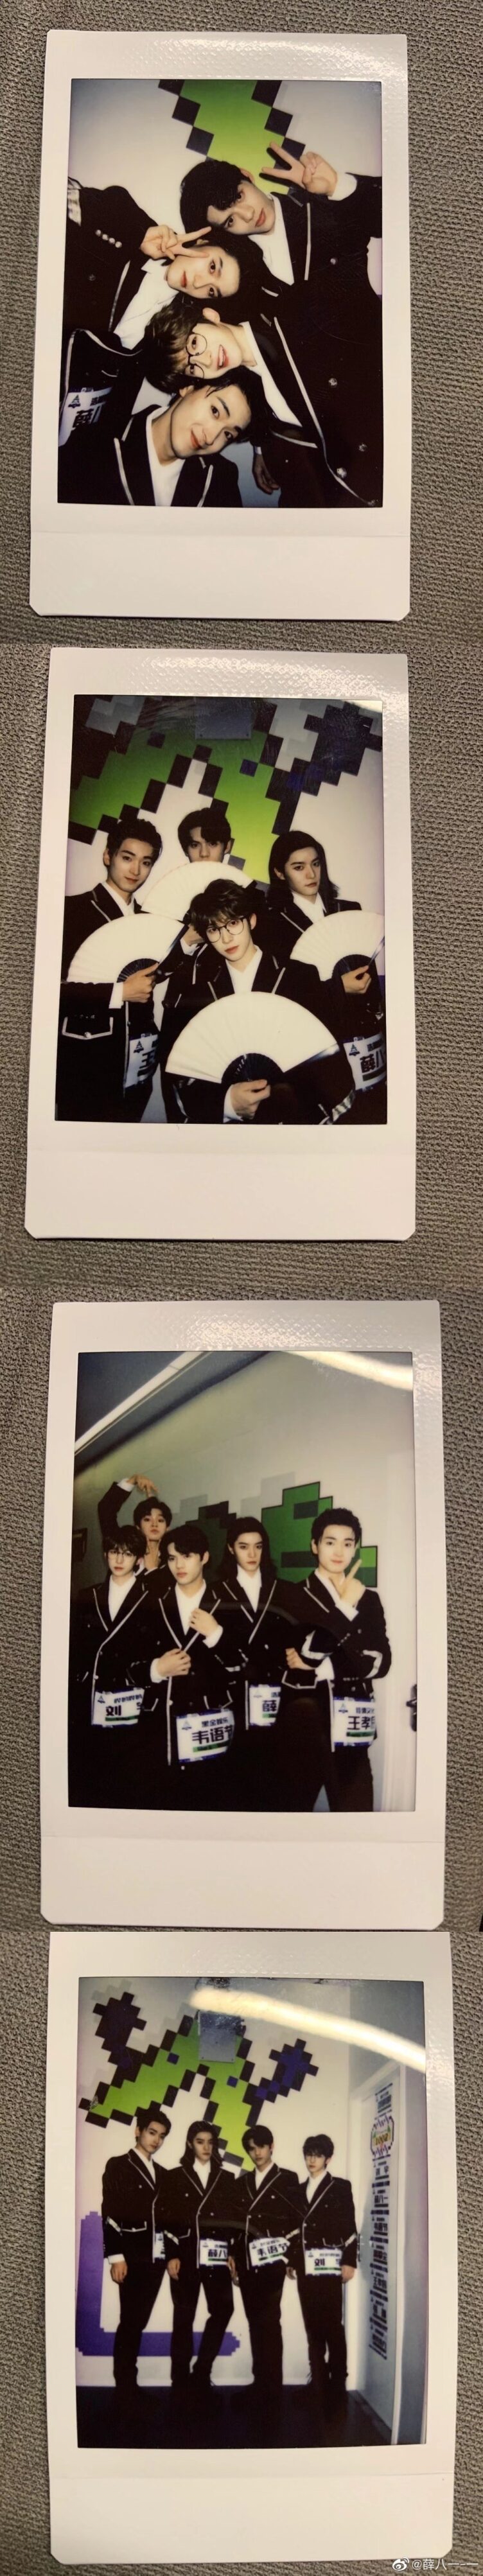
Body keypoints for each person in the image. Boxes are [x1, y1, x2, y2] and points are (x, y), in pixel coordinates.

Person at [160, 877, 336, 1125]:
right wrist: (227, 1102)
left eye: (233, 923)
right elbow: (183, 1075)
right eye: (214, 930)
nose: (226, 938)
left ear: (251, 921)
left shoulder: (299, 977)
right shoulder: (198, 994)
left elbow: (325, 1058)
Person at [278, 1505, 391, 1812]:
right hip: (305, 1729)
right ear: (315, 1546)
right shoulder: (292, 1596)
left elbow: (382, 1661)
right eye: (330, 1542)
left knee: (357, 1820)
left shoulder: (370, 1599)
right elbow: (304, 1654)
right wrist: (344, 1608)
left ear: (355, 1548)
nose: (339, 1551)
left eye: (347, 1543)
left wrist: (325, 1667)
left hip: (352, 1729)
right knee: (292, 1818)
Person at [57, 807, 162, 1124]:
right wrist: (120, 993)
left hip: (138, 1063)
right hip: (87, 1062)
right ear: (108, 856)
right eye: (127, 858)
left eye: (146, 862)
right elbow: (48, 992)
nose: (136, 870)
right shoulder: (72, 911)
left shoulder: (148, 921)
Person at [179, 145, 382, 302]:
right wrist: (168, 256)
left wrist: (338, 186)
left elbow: (389, 220)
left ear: (247, 176)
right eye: (230, 221)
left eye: (239, 197)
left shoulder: (318, 207)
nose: (248, 215)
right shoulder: (242, 272)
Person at [58, 369, 263, 509]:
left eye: (228, 434)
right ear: (189, 387)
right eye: (215, 411)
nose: (211, 438)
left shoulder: (221, 480)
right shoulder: (91, 449)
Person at [145, 1521, 241, 1807]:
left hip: (209, 1722)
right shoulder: (153, 1603)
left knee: (208, 1802)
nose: (179, 1565)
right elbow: (130, 1662)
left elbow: (242, 1665)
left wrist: (216, 1634)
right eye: (172, 1558)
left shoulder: (228, 1602)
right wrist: (156, 1669)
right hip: (163, 1724)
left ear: (205, 1557)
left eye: (187, 1556)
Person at [68, 1525, 154, 1807]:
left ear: (138, 1559)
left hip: (130, 1693)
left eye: (127, 1554)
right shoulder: (87, 1595)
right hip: (91, 1692)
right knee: (91, 1767)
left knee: (127, 1772)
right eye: (114, 1552)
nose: (119, 1560)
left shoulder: (151, 1598)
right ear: (106, 1554)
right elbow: (76, 1647)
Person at [216, 1518, 299, 1807]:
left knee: (275, 1778)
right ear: (231, 1549)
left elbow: (295, 1639)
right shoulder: (216, 1592)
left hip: (275, 1694)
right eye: (244, 1547)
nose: (252, 1554)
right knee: (238, 1780)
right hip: (234, 1696)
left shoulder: (284, 1590)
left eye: (258, 1547)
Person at [101, 2103, 171, 2419]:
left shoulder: (164, 2174)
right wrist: (116, 2257)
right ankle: (125, 2392)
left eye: (162, 2136)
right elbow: (110, 2212)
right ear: (139, 2131)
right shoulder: (119, 2165)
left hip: (156, 2258)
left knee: (138, 2322)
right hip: (130, 2257)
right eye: (152, 2133)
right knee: (130, 2322)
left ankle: (130, 2387)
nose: (156, 2140)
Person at [165, 2121, 237, 2406]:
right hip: (186, 2258)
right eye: (200, 2141)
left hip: (217, 2258)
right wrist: (172, 2254)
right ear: (190, 2144)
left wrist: (233, 2252)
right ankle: (180, 2382)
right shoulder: (175, 2177)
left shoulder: (227, 2178)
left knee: (224, 2309)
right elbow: (168, 2219)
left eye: (210, 2142)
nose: (206, 2147)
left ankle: (202, 2373)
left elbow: (233, 2220)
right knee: (183, 2318)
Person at [233, 2126, 300, 2426]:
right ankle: (259, 2384)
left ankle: (272, 2391)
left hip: (273, 2263)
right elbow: (237, 2224)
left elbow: (296, 2220)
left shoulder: (287, 2179)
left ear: (272, 2146)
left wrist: (289, 2258)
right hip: (247, 2263)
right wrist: (233, 2257)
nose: (256, 2153)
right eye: (251, 2148)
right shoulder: (242, 2182)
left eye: (261, 2146)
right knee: (254, 2323)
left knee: (269, 2323)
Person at [295, 2133, 358, 2426]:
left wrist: (349, 2261)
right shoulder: (298, 2189)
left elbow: (350, 2226)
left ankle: (338, 2383)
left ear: (328, 2159)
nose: (312, 2160)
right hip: (306, 2267)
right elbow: (295, 2230)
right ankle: (318, 2382)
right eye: (309, 2154)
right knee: (312, 2325)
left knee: (332, 2324)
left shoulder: (340, 2187)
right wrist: (293, 2261)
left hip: (331, 2265)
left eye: (318, 2155)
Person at [264, 830, 359, 961]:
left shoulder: (350, 910)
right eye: (299, 868)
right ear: (280, 873)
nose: (312, 875)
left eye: (316, 864)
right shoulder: (273, 925)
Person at [98, 1476, 172, 1579]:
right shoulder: (122, 1546)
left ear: (167, 1528)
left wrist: (153, 1570)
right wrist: (134, 1480)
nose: (154, 1524)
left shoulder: (173, 1559)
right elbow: (106, 1509)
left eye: (160, 1520)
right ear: (138, 1527)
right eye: (147, 1519)